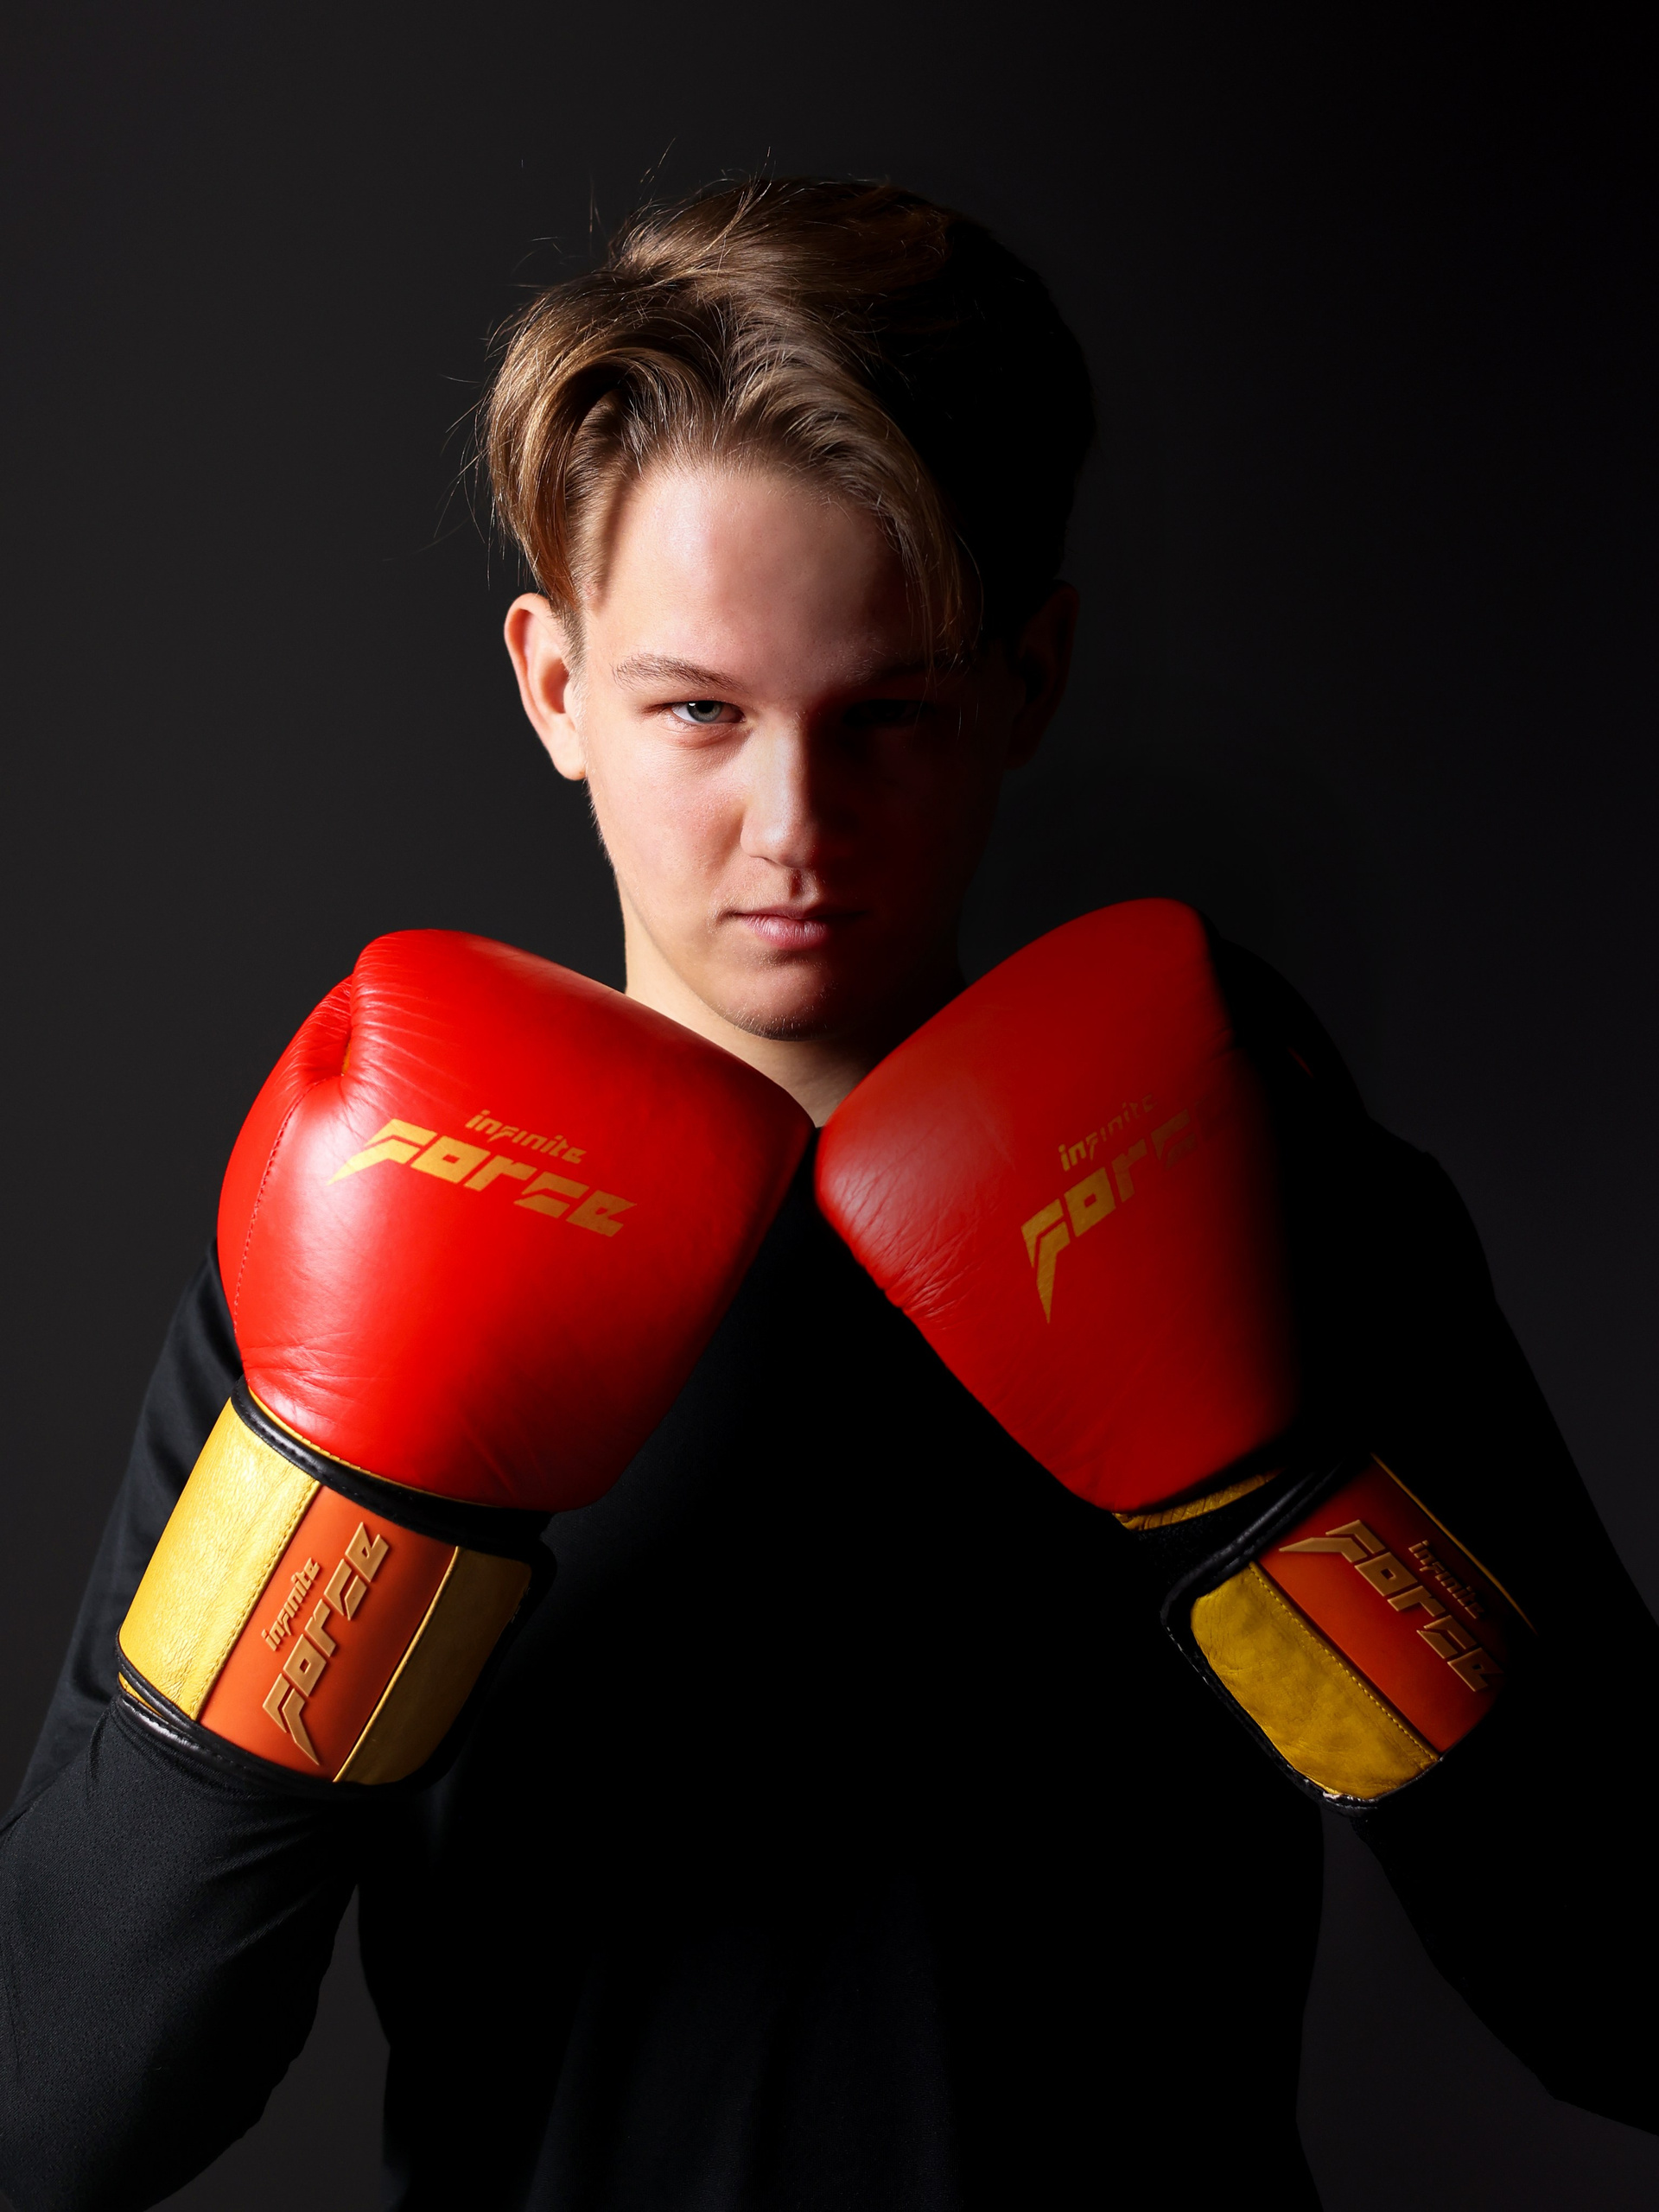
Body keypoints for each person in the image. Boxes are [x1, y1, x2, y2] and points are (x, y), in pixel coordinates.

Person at [0, 176, 1653, 2212]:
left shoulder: (1277, 1196)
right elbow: (55, 2106)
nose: (794, 824)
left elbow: (1631, 1997)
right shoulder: (354, 1238)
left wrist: (1279, 1497)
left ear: (1029, 681)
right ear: (552, 686)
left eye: (891, 714)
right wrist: (351, 1507)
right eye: (699, 709)